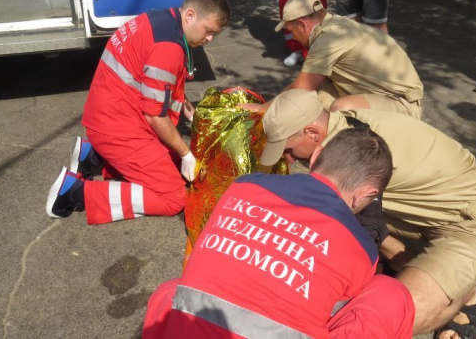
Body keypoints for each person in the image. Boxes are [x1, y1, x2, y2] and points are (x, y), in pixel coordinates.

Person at [259, 89, 476, 339]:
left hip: (474, 224)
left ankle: (469, 292)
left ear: (313, 133)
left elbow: (359, 233)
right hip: (423, 208)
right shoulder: (340, 122)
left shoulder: (351, 158)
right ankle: (414, 266)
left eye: (289, 150)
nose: (289, 159)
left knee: (386, 320)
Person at [143, 128, 415, 338]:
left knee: (169, 291)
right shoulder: (361, 247)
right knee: (390, 293)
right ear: (366, 194)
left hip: (190, 329)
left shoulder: (244, 185)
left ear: (316, 157)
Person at [45, 0, 230, 225]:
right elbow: (154, 115)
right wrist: (185, 153)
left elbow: (154, 78)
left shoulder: (164, 20)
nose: (210, 39)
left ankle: (93, 156)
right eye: (209, 31)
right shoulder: (169, 48)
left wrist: (182, 104)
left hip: (110, 116)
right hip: (119, 128)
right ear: (190, 15)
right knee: (173, 197)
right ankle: (74, 192)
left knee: (173, 165)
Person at [243, 0, 423, 119]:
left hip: (401, 105)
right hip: (386, 95)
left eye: (292, 31)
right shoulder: (336, 23)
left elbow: (301, 86)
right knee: (314, 100)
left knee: (339, 108)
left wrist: (263, 108)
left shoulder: (327, 39)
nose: (294, 38)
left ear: (302, 25)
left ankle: (351, 161)